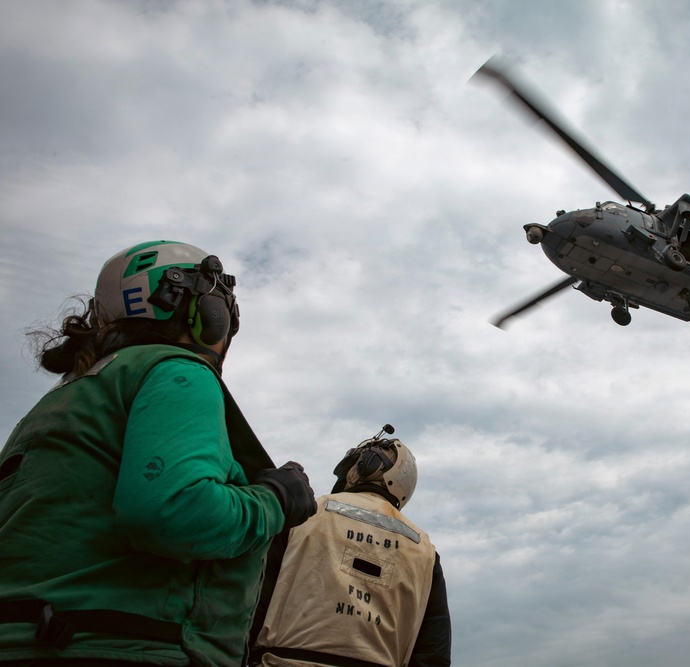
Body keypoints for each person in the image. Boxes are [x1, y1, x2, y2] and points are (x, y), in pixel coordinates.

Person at [0, 240, 317, 667]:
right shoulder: (176, 371)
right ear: (202, 310)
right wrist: (275, 499)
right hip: (122, 643)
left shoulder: (65, 396)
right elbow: (176, 512)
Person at [253, 431, 451, 667]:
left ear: (363, 467)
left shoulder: (306, 514)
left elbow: (252, 597)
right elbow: (433, 650)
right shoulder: (425, 551)